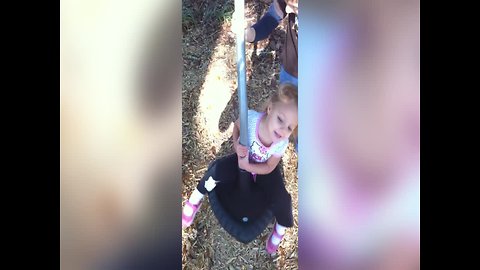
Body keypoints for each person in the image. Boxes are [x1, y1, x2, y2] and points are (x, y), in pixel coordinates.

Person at [182, 83, 298, 254]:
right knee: (216, 171)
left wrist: (249, 167)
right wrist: (236, 145)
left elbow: (269, 166)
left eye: (289, 128)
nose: (283, 130)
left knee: (282, 198)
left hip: (261, 169)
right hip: (242, 159)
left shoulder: (281, 143)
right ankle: (194, 199)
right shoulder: (251, 120)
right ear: (270, 109)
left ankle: (280, 228)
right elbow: (236, 127)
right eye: (280, 119)